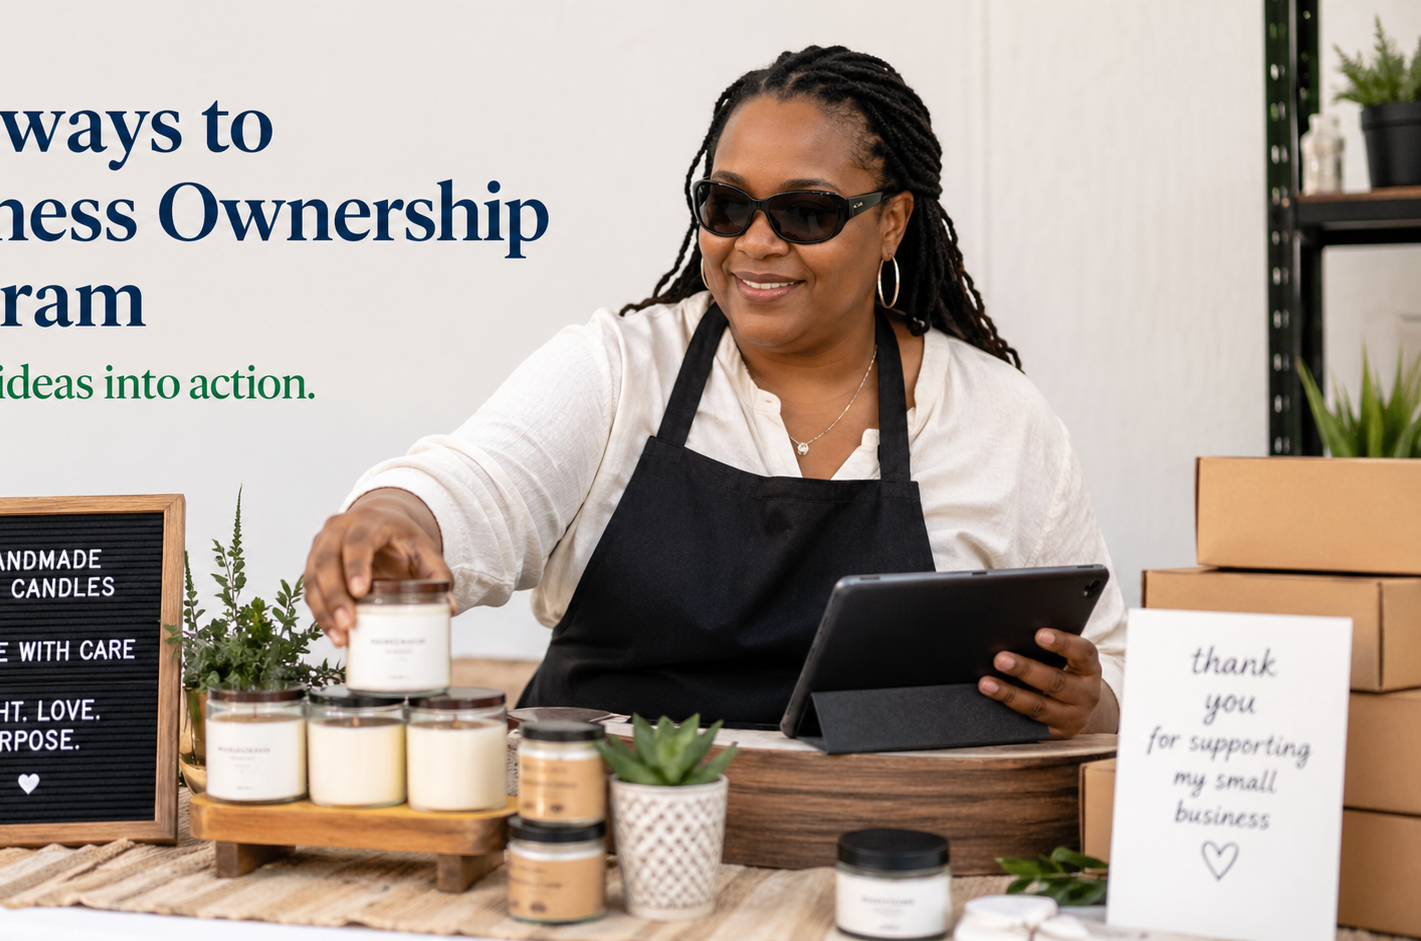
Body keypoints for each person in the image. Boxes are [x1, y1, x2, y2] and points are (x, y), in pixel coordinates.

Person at [303, 45, 1123, 737]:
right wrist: (394, 516)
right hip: (596, 834)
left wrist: (1088, 702)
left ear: (893, 221)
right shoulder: (622, 371)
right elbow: (477, 485)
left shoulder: (999, 422)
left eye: (806, 212)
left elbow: (1113, 669)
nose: (756, 242)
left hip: (872, 852)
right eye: (727, 206)